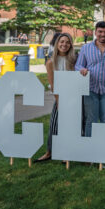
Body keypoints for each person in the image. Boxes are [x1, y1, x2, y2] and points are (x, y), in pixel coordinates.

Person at [75, 21, 105, 137]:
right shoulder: (86, 48)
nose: (103, 34)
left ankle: (104, 148)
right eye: (100, 32)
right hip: (90, 88)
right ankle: (89, 148)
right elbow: (78, 65)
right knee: (91, 120)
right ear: (95, 32)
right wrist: (82, 69)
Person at [34, 33, 77, 162]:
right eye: (62, 42)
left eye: (67, 42)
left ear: (70, 45)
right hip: (60, 97)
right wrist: (59, 101)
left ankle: (67, 152)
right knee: (54, 124)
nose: (64, 44)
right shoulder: (50, 62)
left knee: (72, 126)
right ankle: (49, 152)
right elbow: (53, 85)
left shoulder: (74, 60)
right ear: (57, 44)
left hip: (74, 97)